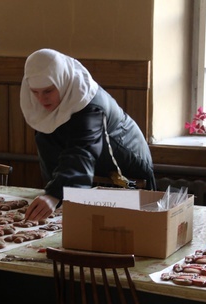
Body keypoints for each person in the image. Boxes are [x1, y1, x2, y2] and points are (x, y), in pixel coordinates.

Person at [20, 48, 156, 221]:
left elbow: (82, 151)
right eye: (35, 92)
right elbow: (49, 143)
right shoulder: (44, 97)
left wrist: (55, 194)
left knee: (119, 225)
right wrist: (53, 191)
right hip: (85, 164)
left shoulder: (89, 103)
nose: (41, 99)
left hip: (122, 162)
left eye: (48, 91)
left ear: (63, 81)